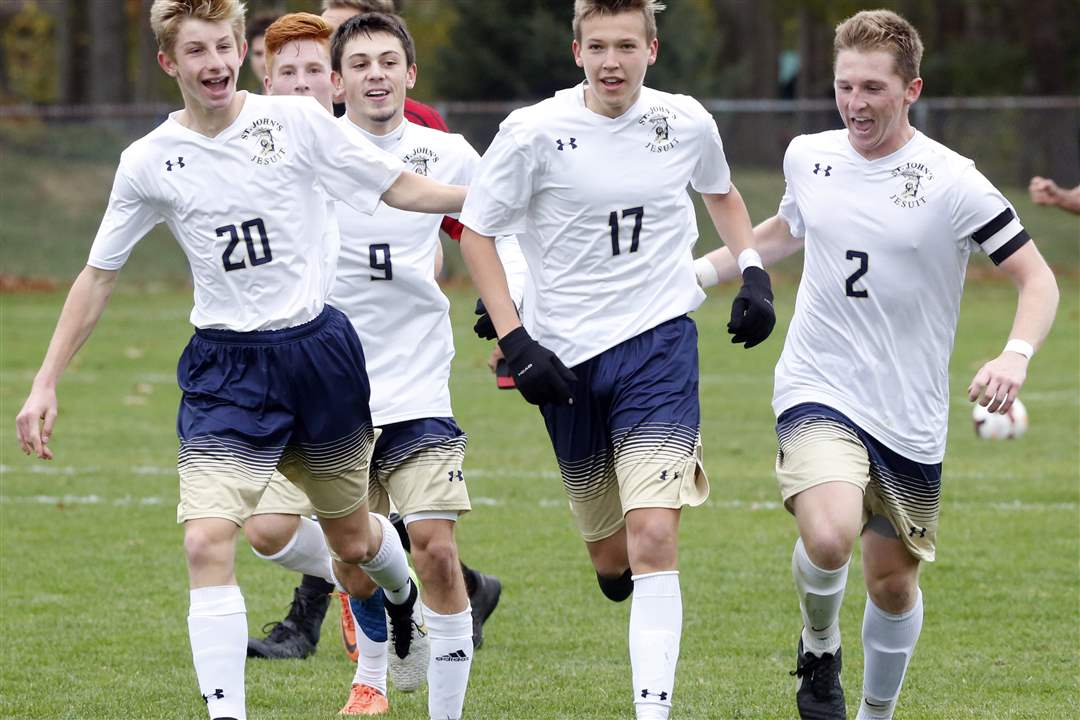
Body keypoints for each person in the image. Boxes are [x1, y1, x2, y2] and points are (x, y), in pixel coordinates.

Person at [13, 2, 468, 719]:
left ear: (240, 52)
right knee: (206, 541)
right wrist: (44, 382)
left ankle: (401, 591)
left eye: (224, 46)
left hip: (317, 355)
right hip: (225, 370)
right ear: (171, 63)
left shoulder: (296, 121)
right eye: (197, 52)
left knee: (352, 540)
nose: (215, 63)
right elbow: (99, 274)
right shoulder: (149, 161)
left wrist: (485, 200)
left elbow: (395, 186)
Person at [694, 10, 1059, 720]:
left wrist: (1014, 356)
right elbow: (784, 230)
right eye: (844, 87)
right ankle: (819, 644)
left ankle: (875, 714)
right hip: (818, 383)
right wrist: (694, 279)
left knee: (892, 584)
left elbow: (1037, 280)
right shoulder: (810, 155)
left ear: (911, 88)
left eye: (872, 89)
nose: (855, 104)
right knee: (828, 535)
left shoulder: (955, 182)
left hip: (909, 410)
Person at [458, 2, 776, 718]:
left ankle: (651, 711)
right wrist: (516, 342)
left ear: (652, 49)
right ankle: (616, 571)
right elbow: (477, 234)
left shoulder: (685, 120)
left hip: (659, 343)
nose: (612, 61)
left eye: (626, 46)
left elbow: (721, 193)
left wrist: (752, 269)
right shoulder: (532, 131)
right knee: (612, 558)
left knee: (656, 532)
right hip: (563, 361)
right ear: (576, 52)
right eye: (597, 46)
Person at [247, 1, 504, 667]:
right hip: (325, 388)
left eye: (388, 61)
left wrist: (512, 312)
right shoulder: (310, 153)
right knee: (284, 534)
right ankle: (395, 594)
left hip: (414, 383)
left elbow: (485, 218)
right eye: (356, 62)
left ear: (411, 72)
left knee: (433, 548)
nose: (374, 74)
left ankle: (417, 627)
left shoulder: (443, 149)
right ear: (337, 81)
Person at [244, 12, 277, 90]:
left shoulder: (305, 99)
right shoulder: (249, 101)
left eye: (271, 53)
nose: (264, 62)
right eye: (258, 54)